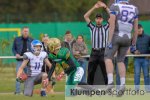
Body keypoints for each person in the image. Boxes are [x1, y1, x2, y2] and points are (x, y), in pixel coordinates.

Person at [104, 0, 138, 96]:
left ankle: (110, 82)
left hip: (116, 35)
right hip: (127, 38)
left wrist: (109, 40)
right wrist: (133, 45)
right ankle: (122, 83)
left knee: (108, 58)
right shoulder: (135, 9)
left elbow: (112, 25)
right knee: (120, 61)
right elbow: (135, 30)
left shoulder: (115, 6)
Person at [84, 1, 110, 85]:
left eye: (100, 18)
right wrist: (94, 7)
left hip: (103, 52)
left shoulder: (106, 27)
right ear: (95, 20)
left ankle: (107, 89)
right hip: (94, 52)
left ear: (102, 20)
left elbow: (113, 17)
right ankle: (89, 90)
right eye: (97, 18)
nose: (98, 20)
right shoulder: (92, 27)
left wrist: (105, 7)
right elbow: (86, 16)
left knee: (105, 72)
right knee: (91, 71)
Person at [12, 26, 33, 94]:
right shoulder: (16, 39)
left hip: (28, 61)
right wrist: (16, 54)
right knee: (18, 76)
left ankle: (26, 91)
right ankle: (17, 92)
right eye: (24, 31)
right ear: (21, 31)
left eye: (27, 31)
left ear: (28, 32)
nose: (26, 32)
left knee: (28, 77)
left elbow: (34, 50)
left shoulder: (32, 40)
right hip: (20, 60)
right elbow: (13, 49)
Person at [133, 24, 150, 92]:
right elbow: (131, 48)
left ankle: (148, 90)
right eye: (137, 30)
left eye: (139, 30)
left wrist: (148, 54)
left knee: (146, 75)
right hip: (137, 59)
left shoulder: (148, 37)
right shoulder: (134, 38)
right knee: (137, 74)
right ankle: (136, 90)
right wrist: (134, 51)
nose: (139, 31)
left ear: (142, 29)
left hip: (146, 59)